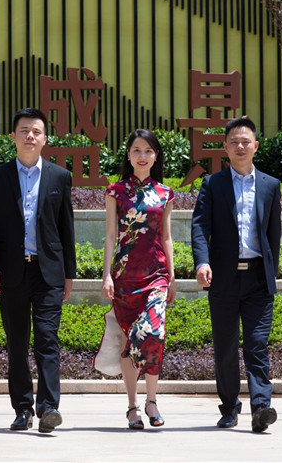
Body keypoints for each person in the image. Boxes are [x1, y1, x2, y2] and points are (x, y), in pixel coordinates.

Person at [0, 108, 76, 434]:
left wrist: (69, 273)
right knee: (17, 343)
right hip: (11, 273)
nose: (30, 136)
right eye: (24, 131)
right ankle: (23, 409)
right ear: (13, 137)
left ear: (45, 138)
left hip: (48, 273)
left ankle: (49, 408)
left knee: (48, 339)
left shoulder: (59, 177)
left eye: (36, 131)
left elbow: (66, 227)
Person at [191, 116, 281, 433]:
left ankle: (261, 408)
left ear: (255, 146)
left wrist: (271, 273)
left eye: (245, 142)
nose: (240, 146)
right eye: (234, 142)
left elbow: (274, 234)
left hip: (258, 279)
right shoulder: (212, 184)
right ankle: (229, 407)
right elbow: (200, 227)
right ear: (226, 147)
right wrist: (202, 262)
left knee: (256, 344)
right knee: (226, 347)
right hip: (224, 278)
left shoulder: (270, 185)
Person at [94, 128, 176, 430]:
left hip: (156, 275)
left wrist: (172, 277)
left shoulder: (165, 193)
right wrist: (106, 275)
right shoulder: (115, 191)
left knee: (153, 333)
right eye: (137, 150)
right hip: (124, 277)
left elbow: (166, 237)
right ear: (128, 155)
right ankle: (133, 406)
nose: (142, 156)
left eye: (148, 151)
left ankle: (152, 400)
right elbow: (110, 235)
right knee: (130, 340)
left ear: (156, 156)